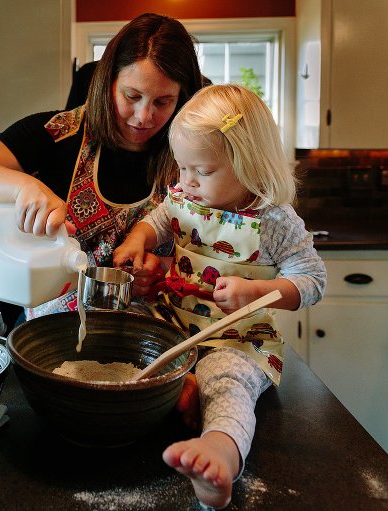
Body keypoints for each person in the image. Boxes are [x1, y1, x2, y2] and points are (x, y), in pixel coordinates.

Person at [113, 84, 327, 508]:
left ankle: (221, 454)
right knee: (126, 329)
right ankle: (178, 388)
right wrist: (137, 240)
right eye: (181, 168)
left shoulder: (275, 222)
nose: (186, 182)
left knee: (226, 383)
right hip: (172, 324)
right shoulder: (185, 196)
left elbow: (312, 280)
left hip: (236, 341)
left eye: (202, 172)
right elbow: (159, 219)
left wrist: (259, 292)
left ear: (249, 165)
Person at [0, 12, 205, 318]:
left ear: (182, 98)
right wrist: (25, 186)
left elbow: (213, 250)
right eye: (132, 96)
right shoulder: (60, 133)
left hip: (152, 332)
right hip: (53, 331)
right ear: (109, 82)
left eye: (163, 102)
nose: (144, 116)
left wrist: (162, 273)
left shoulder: (193, 154)